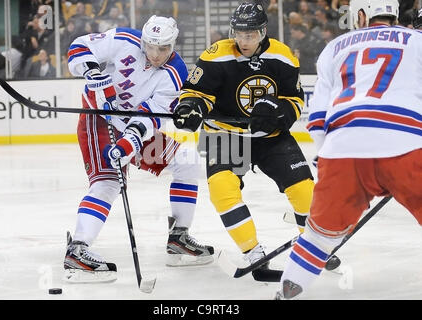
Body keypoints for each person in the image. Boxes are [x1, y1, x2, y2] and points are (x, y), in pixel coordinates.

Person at [173, 2, 337, 282]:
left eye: (249, 34)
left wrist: (279, 114)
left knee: (304, 189)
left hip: (269, 137)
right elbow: (195, 91)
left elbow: (294, 99)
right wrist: (191, 107)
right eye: (238, 33)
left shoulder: (283, 56)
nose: (242, 40)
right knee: (222, 190)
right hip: (224, 133)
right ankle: (253, 252)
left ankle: (314, 245)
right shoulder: (216, 54)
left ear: (262, 31)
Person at [275, 0, 422, 300]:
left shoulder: (335, 46)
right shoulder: (417, 41)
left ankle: (285, 294)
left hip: (343, 149)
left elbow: (317, 119)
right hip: (405, 144)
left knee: (317, 238)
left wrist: (327, 160)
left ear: (362, 14)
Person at [64, 15, 214, 283]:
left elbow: (150, 116)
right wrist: (93, 72)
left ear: (173, 45)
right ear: (143, 40)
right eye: (151, 47)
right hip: (97, 118)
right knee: (108, 182)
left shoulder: (177, 73)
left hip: (134, 127)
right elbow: (78, 47)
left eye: (164, 49)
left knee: (186, 160)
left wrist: (127, 143)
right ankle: (78, 248)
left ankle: (178, 236)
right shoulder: (123, 39)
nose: (156, 55)